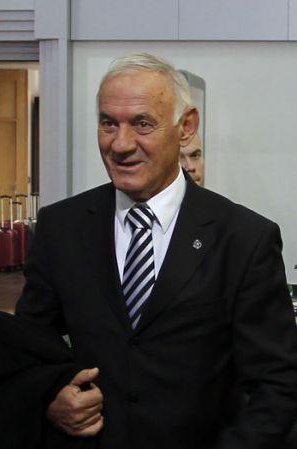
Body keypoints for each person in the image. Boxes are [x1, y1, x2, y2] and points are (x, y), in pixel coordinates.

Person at [15, 53, 297, 449]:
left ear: (186, 128)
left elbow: (276, 385)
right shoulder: (61, 227)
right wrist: (49, 397)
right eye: (108, 123)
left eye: (142, 124)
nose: (121, 144)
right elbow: (27, 350)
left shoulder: (244, 239)